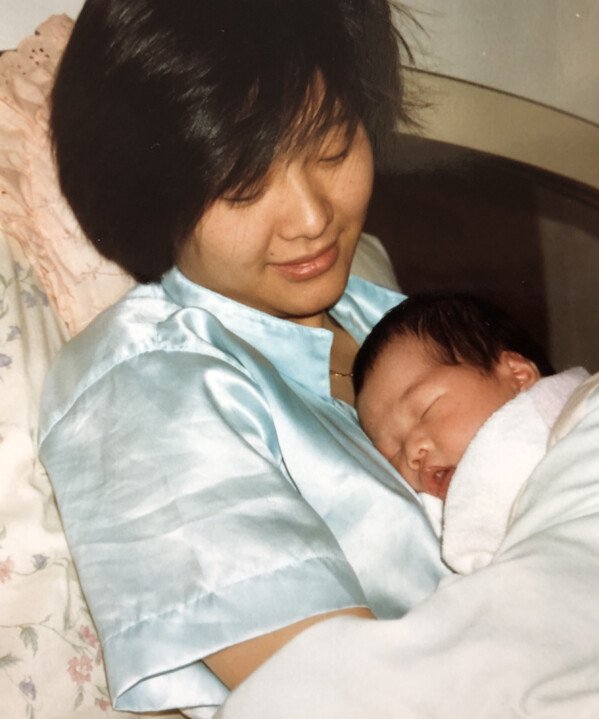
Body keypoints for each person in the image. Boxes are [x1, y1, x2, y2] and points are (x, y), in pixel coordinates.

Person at [38, 0, 447, 714]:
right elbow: (353, 698)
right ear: (154, 192)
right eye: (242, 185)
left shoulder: (376, 302)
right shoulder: (144, 390)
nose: (313, 217)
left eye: (330, 148)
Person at [353, 292, 591, 573]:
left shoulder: (583, 419)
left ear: (518, 375)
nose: (411, 452)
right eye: (392, 454)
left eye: (425, 410)